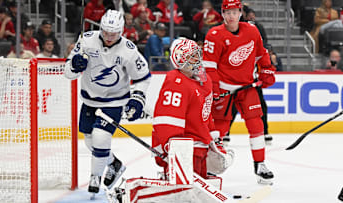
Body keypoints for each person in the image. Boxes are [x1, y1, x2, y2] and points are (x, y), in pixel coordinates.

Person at [64, 10, 151, 194]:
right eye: (105, 33)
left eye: (114, 34)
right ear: (100, 28)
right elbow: (68, 73)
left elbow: (143, 77)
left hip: (114, 102)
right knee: (90, 141)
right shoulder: (86, 40)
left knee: (101, 137)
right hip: (90, 100)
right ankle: (113, 163)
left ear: (121, 31)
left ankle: (95, 177)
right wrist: (74, 65)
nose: (109, 37)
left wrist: (138, 98)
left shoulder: (128, 50)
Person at [202, 0, 276, 185]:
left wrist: (266, 69)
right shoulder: (214, 34)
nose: (231, 16)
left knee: (256, 125)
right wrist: (215, 88)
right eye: (227, 12)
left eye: (235, 12)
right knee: (219, 129)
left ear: (241, 12)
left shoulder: (252, 31)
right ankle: (208, 167)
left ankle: (260, 165)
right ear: (222, 13)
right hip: (224, 89)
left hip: (247, 87)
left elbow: (261, 54)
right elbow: (209, 65)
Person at [152, 38, 234, 178]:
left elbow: (206, 113)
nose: (197, 60)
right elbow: (168, 119)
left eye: (197, 55)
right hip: (186, 147)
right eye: (191, 57)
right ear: (180, 61)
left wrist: (213, 138)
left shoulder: (204, 80)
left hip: (201, 146)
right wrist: (172, 147)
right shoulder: (176, 81)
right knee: (186, 192)